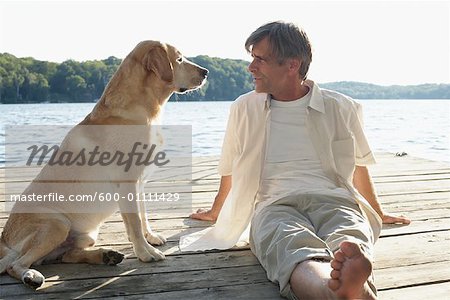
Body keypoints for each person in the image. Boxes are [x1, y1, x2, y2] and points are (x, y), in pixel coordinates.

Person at [180, 21, 410, 299]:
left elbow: (359, 164)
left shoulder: (341, 106)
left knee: (350, 238)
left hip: (335, 199)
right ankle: (336, 291)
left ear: (292, 65)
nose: (251, 67)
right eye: (252, 58)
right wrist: (218, 211)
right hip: (275, 203)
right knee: (289, 243)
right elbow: (230, 166)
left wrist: (377, 212)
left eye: (259, 59)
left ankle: (345, 287)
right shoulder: (245, 107)